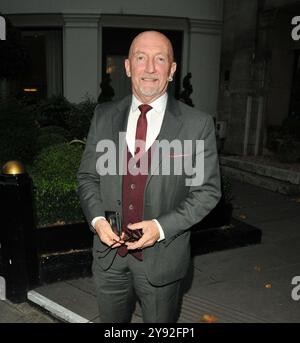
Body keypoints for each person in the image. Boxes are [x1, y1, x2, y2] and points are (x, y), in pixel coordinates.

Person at [77, 30, 221, 323]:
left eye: (160, 59)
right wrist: (97, 221)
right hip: (108, 258)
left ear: (172, 70)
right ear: (128, 66)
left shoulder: (198, 124)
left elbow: (207, 192)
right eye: (141, 58)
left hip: (162, 260)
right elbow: (88, 177)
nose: (150, 68)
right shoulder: (103, 116)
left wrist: (160, 227)